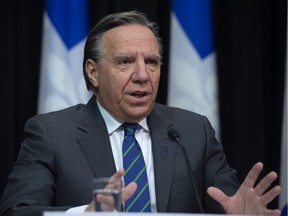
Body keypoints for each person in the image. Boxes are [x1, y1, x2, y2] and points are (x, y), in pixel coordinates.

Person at [0, 10, 281, 216]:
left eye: (152, 62)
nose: (142, 75)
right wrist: (82, 215)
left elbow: (227, 205)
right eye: (125, 62)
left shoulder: (193, 131)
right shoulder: (52, 133)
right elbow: (17, 211)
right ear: (93, 72)